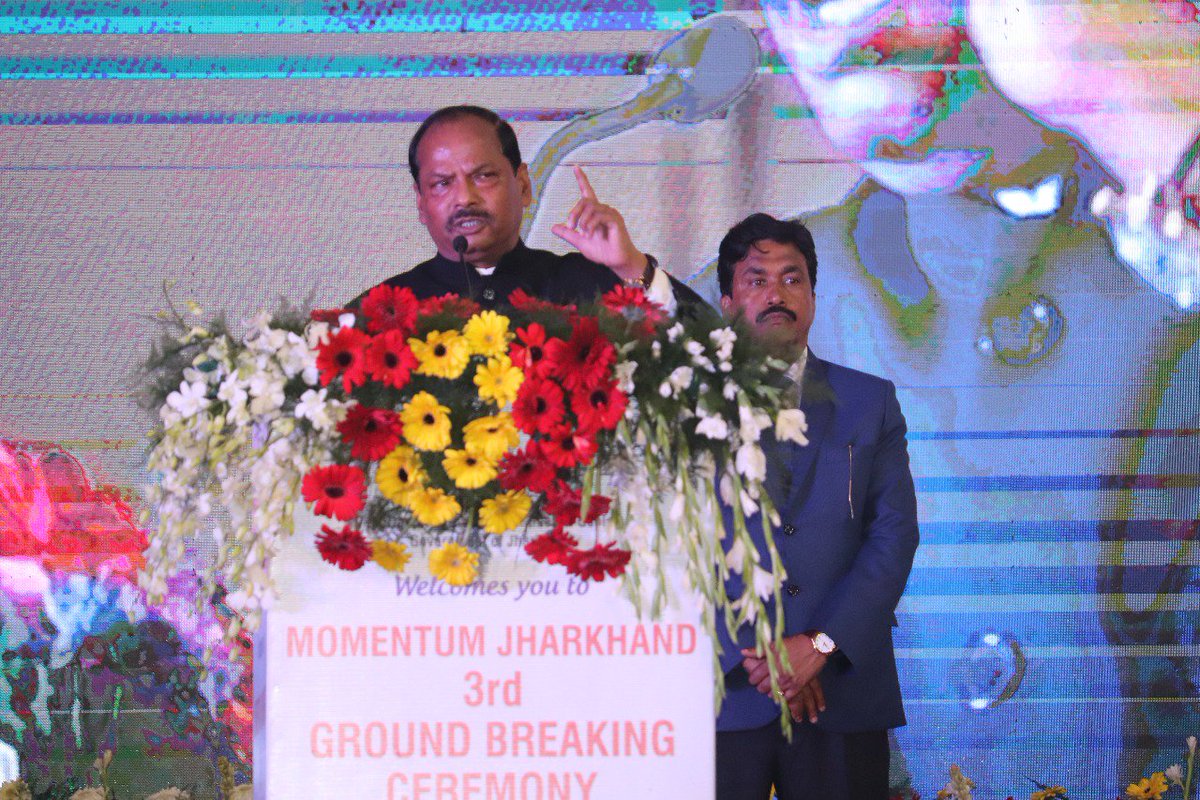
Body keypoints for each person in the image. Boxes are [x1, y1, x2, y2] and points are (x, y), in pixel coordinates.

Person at [714, 212, 919, 800]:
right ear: (728, 302)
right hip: (724, 688)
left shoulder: (869, 401)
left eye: (792, 278)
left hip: (842, 688)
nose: (776, 294)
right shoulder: (686, 405)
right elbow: (672, 546)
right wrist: (768, 661)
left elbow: (893, 536)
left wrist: (818, 645)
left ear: (812, 295)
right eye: (756, 280)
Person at [366, 104, 705, 312]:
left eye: (484, 176)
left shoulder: (591, 285)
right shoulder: (381, 310)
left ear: (524, 186)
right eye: (442, 183)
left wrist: (630, 264)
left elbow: (715, 354)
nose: (464, 198)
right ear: (421, 203)